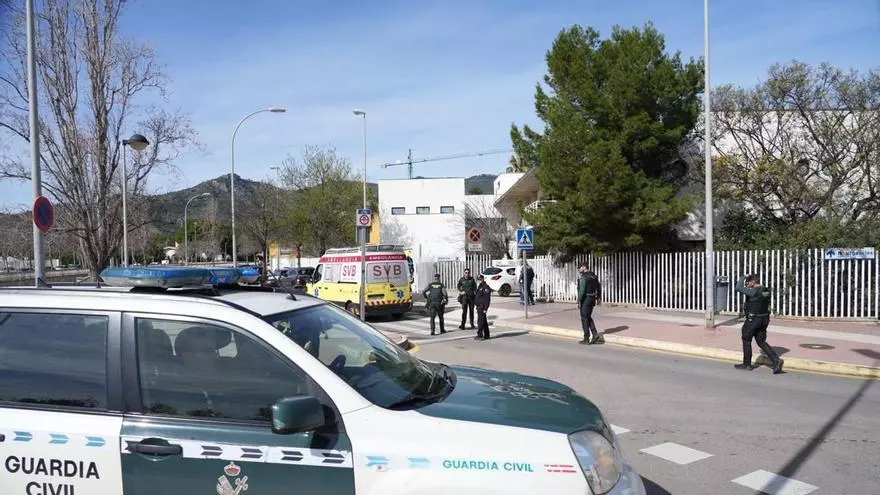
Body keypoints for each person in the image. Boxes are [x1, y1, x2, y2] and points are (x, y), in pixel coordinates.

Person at [734, 274, 784, 374]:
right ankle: (776, 360)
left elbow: (738, 288)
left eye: (747, 283)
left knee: (746, 339)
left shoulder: (753, 291)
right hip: (764, 319)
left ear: (752, 282)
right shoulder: (766, 290)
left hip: (753, 320)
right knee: (761, 341)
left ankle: (747, 364)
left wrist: (743, 277)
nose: (747, 285)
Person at [576, 263, 602, 345]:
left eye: (579, 267)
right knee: (587, 317)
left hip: (585, 299)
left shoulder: (584, 277)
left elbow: (582, 290)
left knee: (584, 318)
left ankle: (586, 338)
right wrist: (599, 297)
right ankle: (595, 335)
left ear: (584, 267)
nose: (578, 269)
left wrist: (579, 301)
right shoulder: (594, 276)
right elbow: (599, 287)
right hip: (592, 299)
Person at [474, 274, 493, 340]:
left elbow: (487, 299)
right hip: (479, 306)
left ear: (483, 279)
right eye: (478, 280)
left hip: (482, 307)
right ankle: (487, 335)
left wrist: (485, 308)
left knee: (480, 322)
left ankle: (480, 335)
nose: (479, 281)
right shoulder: (480, 286)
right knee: (484, 321)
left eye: (480, 279)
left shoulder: (486, 287)